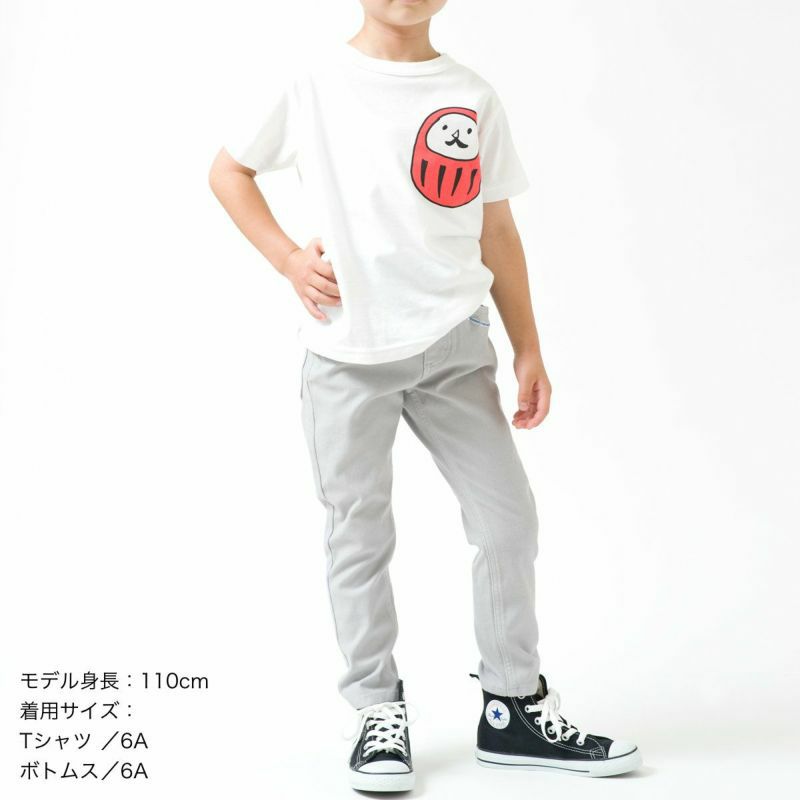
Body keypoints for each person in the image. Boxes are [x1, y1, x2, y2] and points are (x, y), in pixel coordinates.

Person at [209, 0, 641, 791]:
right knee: (359, 534)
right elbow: (228, 171)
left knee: (507, 520)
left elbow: (495, 227)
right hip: (346, 352)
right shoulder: (313, 81)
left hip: (453, 346)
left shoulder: (470, 95)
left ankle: (512, 707)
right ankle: (376, 709)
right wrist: (287, 259)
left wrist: (528, 345)